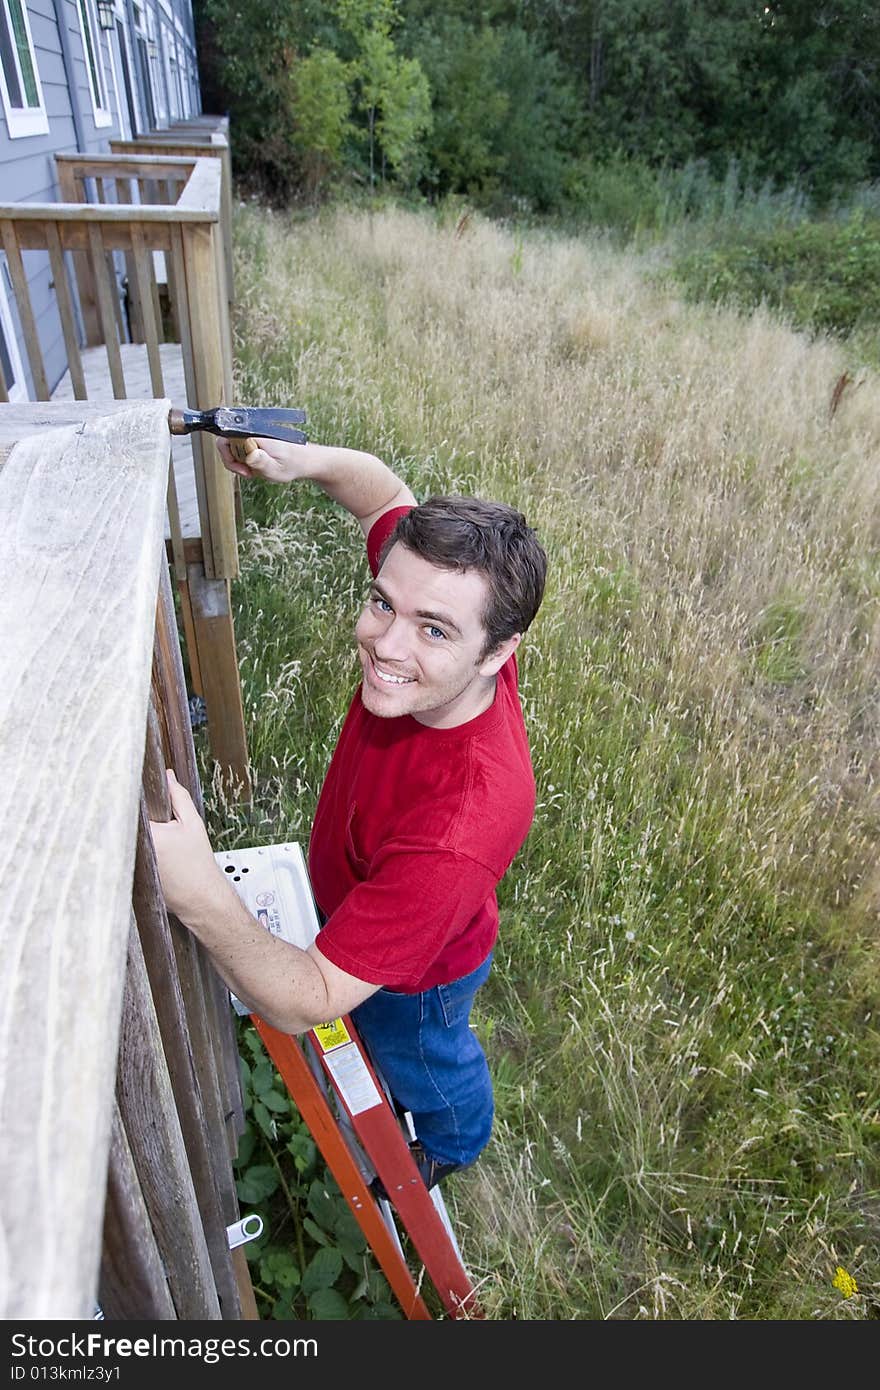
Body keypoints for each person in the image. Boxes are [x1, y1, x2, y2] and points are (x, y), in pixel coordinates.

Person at [151, 437, 547, 1192]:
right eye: (381, 601)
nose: (383, 643)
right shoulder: (460, 631)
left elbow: (309, 1000)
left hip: (420, 975)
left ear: (500, 653)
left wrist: (196, 889)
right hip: (367, 907)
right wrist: (299, 463)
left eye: (432, 628)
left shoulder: (461, 826)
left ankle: (454, 1140)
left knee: (424, 1059)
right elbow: (383, 494)